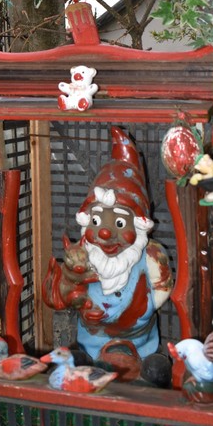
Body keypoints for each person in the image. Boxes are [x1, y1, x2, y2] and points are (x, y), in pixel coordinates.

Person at [43, 127, 173, 383]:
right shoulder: (81, 255)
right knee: (77, 371)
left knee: (154, 374)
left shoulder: (150, 255)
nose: (104, 233)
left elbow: (162, 288)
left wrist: (137, 314)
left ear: (139, 225)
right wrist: (73, 289)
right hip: (91, 346)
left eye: (120, 224)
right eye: (97, 221)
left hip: (141, 345)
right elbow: (56, 295)